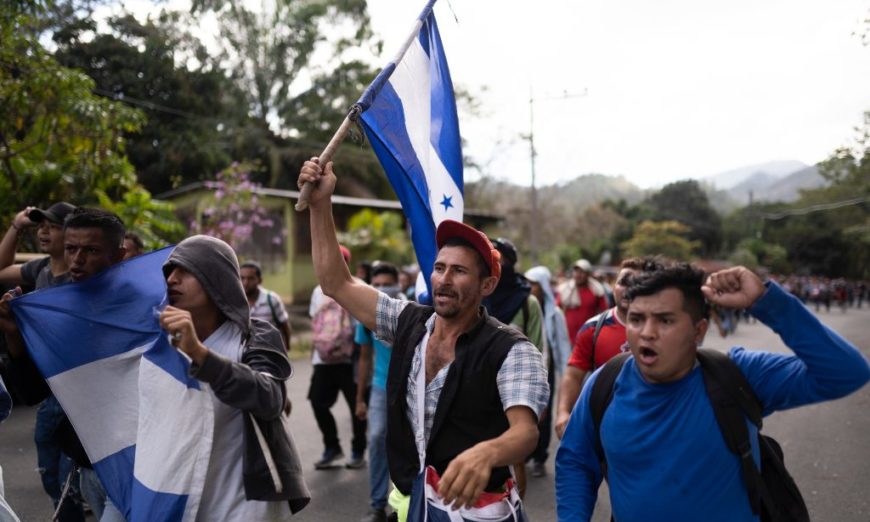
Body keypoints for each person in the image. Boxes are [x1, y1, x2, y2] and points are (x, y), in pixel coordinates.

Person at [298, 158, 548, 521]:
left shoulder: (512, 350)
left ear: (487, 285)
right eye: (439, 267)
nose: (444, 279)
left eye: (459, 271)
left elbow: (526, 433)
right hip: (410, 502)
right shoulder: (408, 322)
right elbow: (338, 283)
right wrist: (321, 205)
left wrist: (487, 453)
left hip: (472, 512)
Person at [555, 263, 870, 521]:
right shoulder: (605, 382)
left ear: (699, 331)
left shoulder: (737, 373)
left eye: (665, 320)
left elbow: (846, 372)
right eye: (636, 319)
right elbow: (576, 461)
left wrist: (766, 303)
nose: (647, 333)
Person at [159, 234, 309, 520]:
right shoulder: (159, 341)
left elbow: (269, 397)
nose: (172, 280)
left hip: (245, 501)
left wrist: (200, 355)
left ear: (217, 278)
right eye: (168, 272)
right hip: (182, 498)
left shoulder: (255, 335)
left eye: (185, 270)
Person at [1, 207, 128, 521]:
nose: (77, 260)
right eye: (71, 249)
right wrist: (15, 335)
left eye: (91, 250)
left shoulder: (141, 309)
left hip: (133, 465)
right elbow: (33, 392)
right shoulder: (62, 309)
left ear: (119, 255)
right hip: (87, 462)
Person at [554, 256, 666, 439]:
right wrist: (563, 412)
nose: (629, 288)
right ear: (614, 286)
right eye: (624, 282)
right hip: (604, 429)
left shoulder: (666, 330)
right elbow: (573, 375)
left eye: (639, 282)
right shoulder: (593, 329)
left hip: (654, 427)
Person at [482, 237, 545, 486]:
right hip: (479, 384)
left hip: (514, 387)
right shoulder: (478, 293)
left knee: (513, 457)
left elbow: (539, 349)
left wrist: (537, 397)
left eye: (501, 259)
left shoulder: (527, 302)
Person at [354, 262, 405, 522]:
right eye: (378, 285)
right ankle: (377, 506)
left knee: (407, 446)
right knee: (375, 439)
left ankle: (403, 505)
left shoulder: (414, 312)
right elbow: (364, 357)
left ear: (399, 284)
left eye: (388, 284)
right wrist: (360, 398)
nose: (383, 289)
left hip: (409, 389)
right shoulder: (365, 315)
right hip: (379, 386)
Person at [308, 245, 367, 470]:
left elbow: (363, 324)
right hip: (322, 359)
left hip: (350, 358)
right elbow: (316, 323)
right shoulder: (317, 291)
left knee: (357, 406)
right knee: (316, 401)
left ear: (345, 263)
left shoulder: (359, 287)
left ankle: (358, 450)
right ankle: (332, 446)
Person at [524, 265, 572, 477]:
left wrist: (566, 374)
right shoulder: (525, 307)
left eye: (534, 284)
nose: (530, 287)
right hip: (525, 367)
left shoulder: (555, 314)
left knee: (543, 414)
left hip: (546, 368)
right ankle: (522, 452)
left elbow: (561, 345)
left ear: (543, 286)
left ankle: (539, 457)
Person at [0, 202, 75, 290]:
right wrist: (18, 225)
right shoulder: (40, 267)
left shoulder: (81, 275)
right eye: (41, 225)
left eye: (53, 226)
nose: (44, 231)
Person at [240, 261, 292, 350]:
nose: (245, 283)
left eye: (251, 278)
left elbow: (285, 326)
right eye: (242, 278)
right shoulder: (235, 302)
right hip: (243, 355)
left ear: (260, 280)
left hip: (270, 353)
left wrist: (286, 348)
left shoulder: (272, 300)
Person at [558, 259, 608, 343]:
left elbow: (605, 313)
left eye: (582, 272)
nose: (578, 275)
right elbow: (557, 311)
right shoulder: (565, 290)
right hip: (568, 339)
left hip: (590, 337)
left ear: (588, 274)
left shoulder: (596, 290)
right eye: (576, 271)